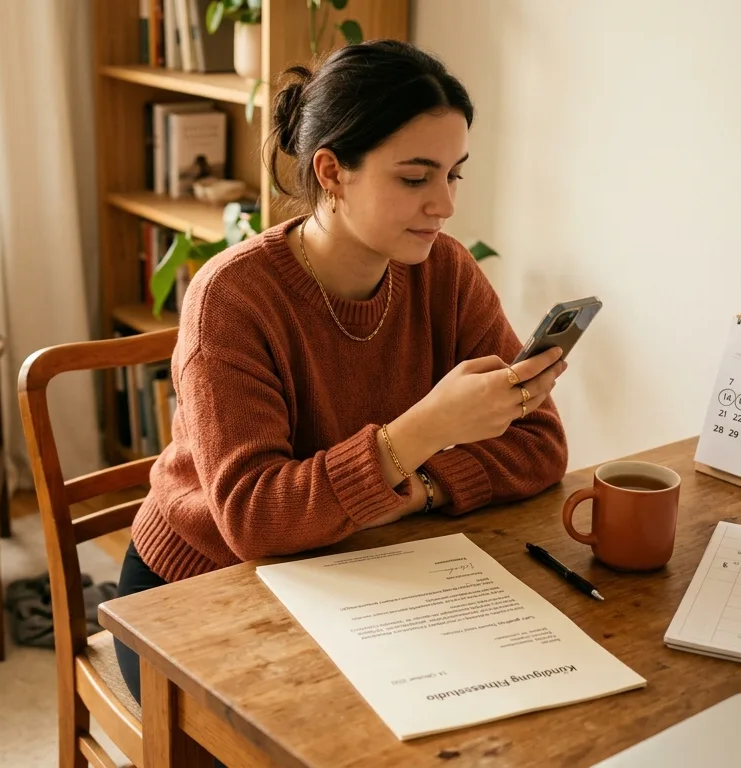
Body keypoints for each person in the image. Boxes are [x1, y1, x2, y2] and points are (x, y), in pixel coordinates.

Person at [114, 39, 570, 707]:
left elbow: (539, 446)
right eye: (415, 178)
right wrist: (422, 433)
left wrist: (416, 490)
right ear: (332, 172)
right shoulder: (232, 299)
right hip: (201, 587)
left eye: (454, 174)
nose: (444, 205)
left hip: (357, 569)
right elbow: (255, 518)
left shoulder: (445, 272)